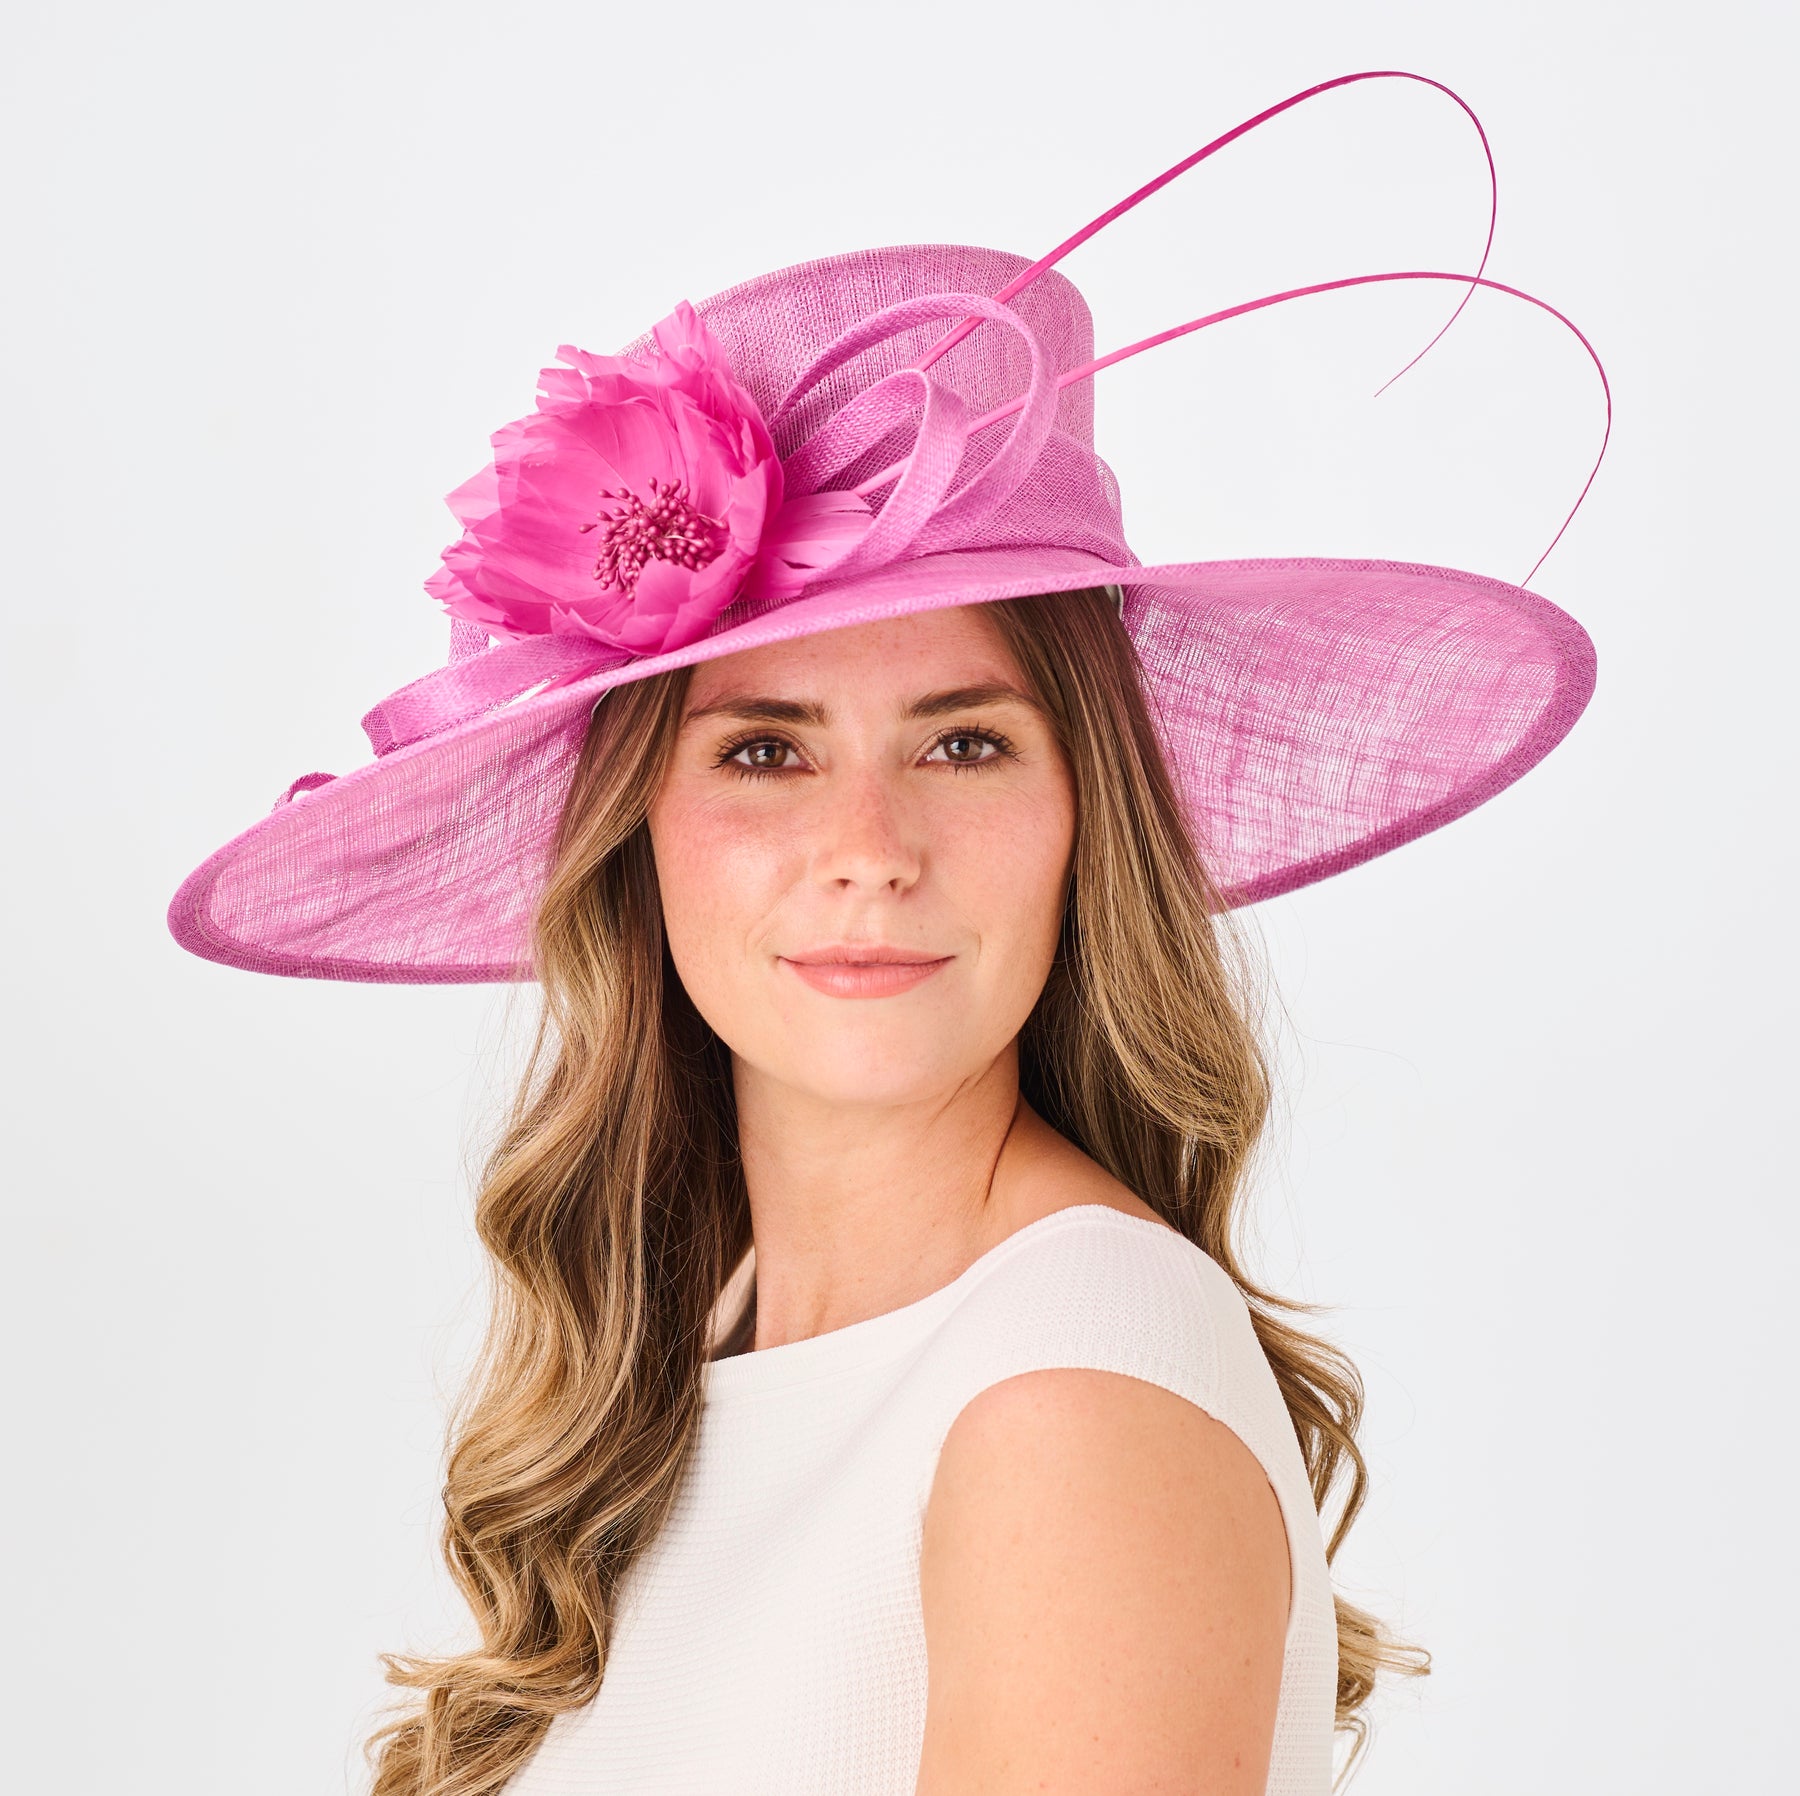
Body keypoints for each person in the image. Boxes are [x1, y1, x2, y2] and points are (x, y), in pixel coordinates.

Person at [167, 71, 1602, 1796]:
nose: (868, 853)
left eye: (965, 744)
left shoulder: (1067, 1399)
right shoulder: (716, 1354)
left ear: (1088, 815)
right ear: (637, 834)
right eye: (765, 751)